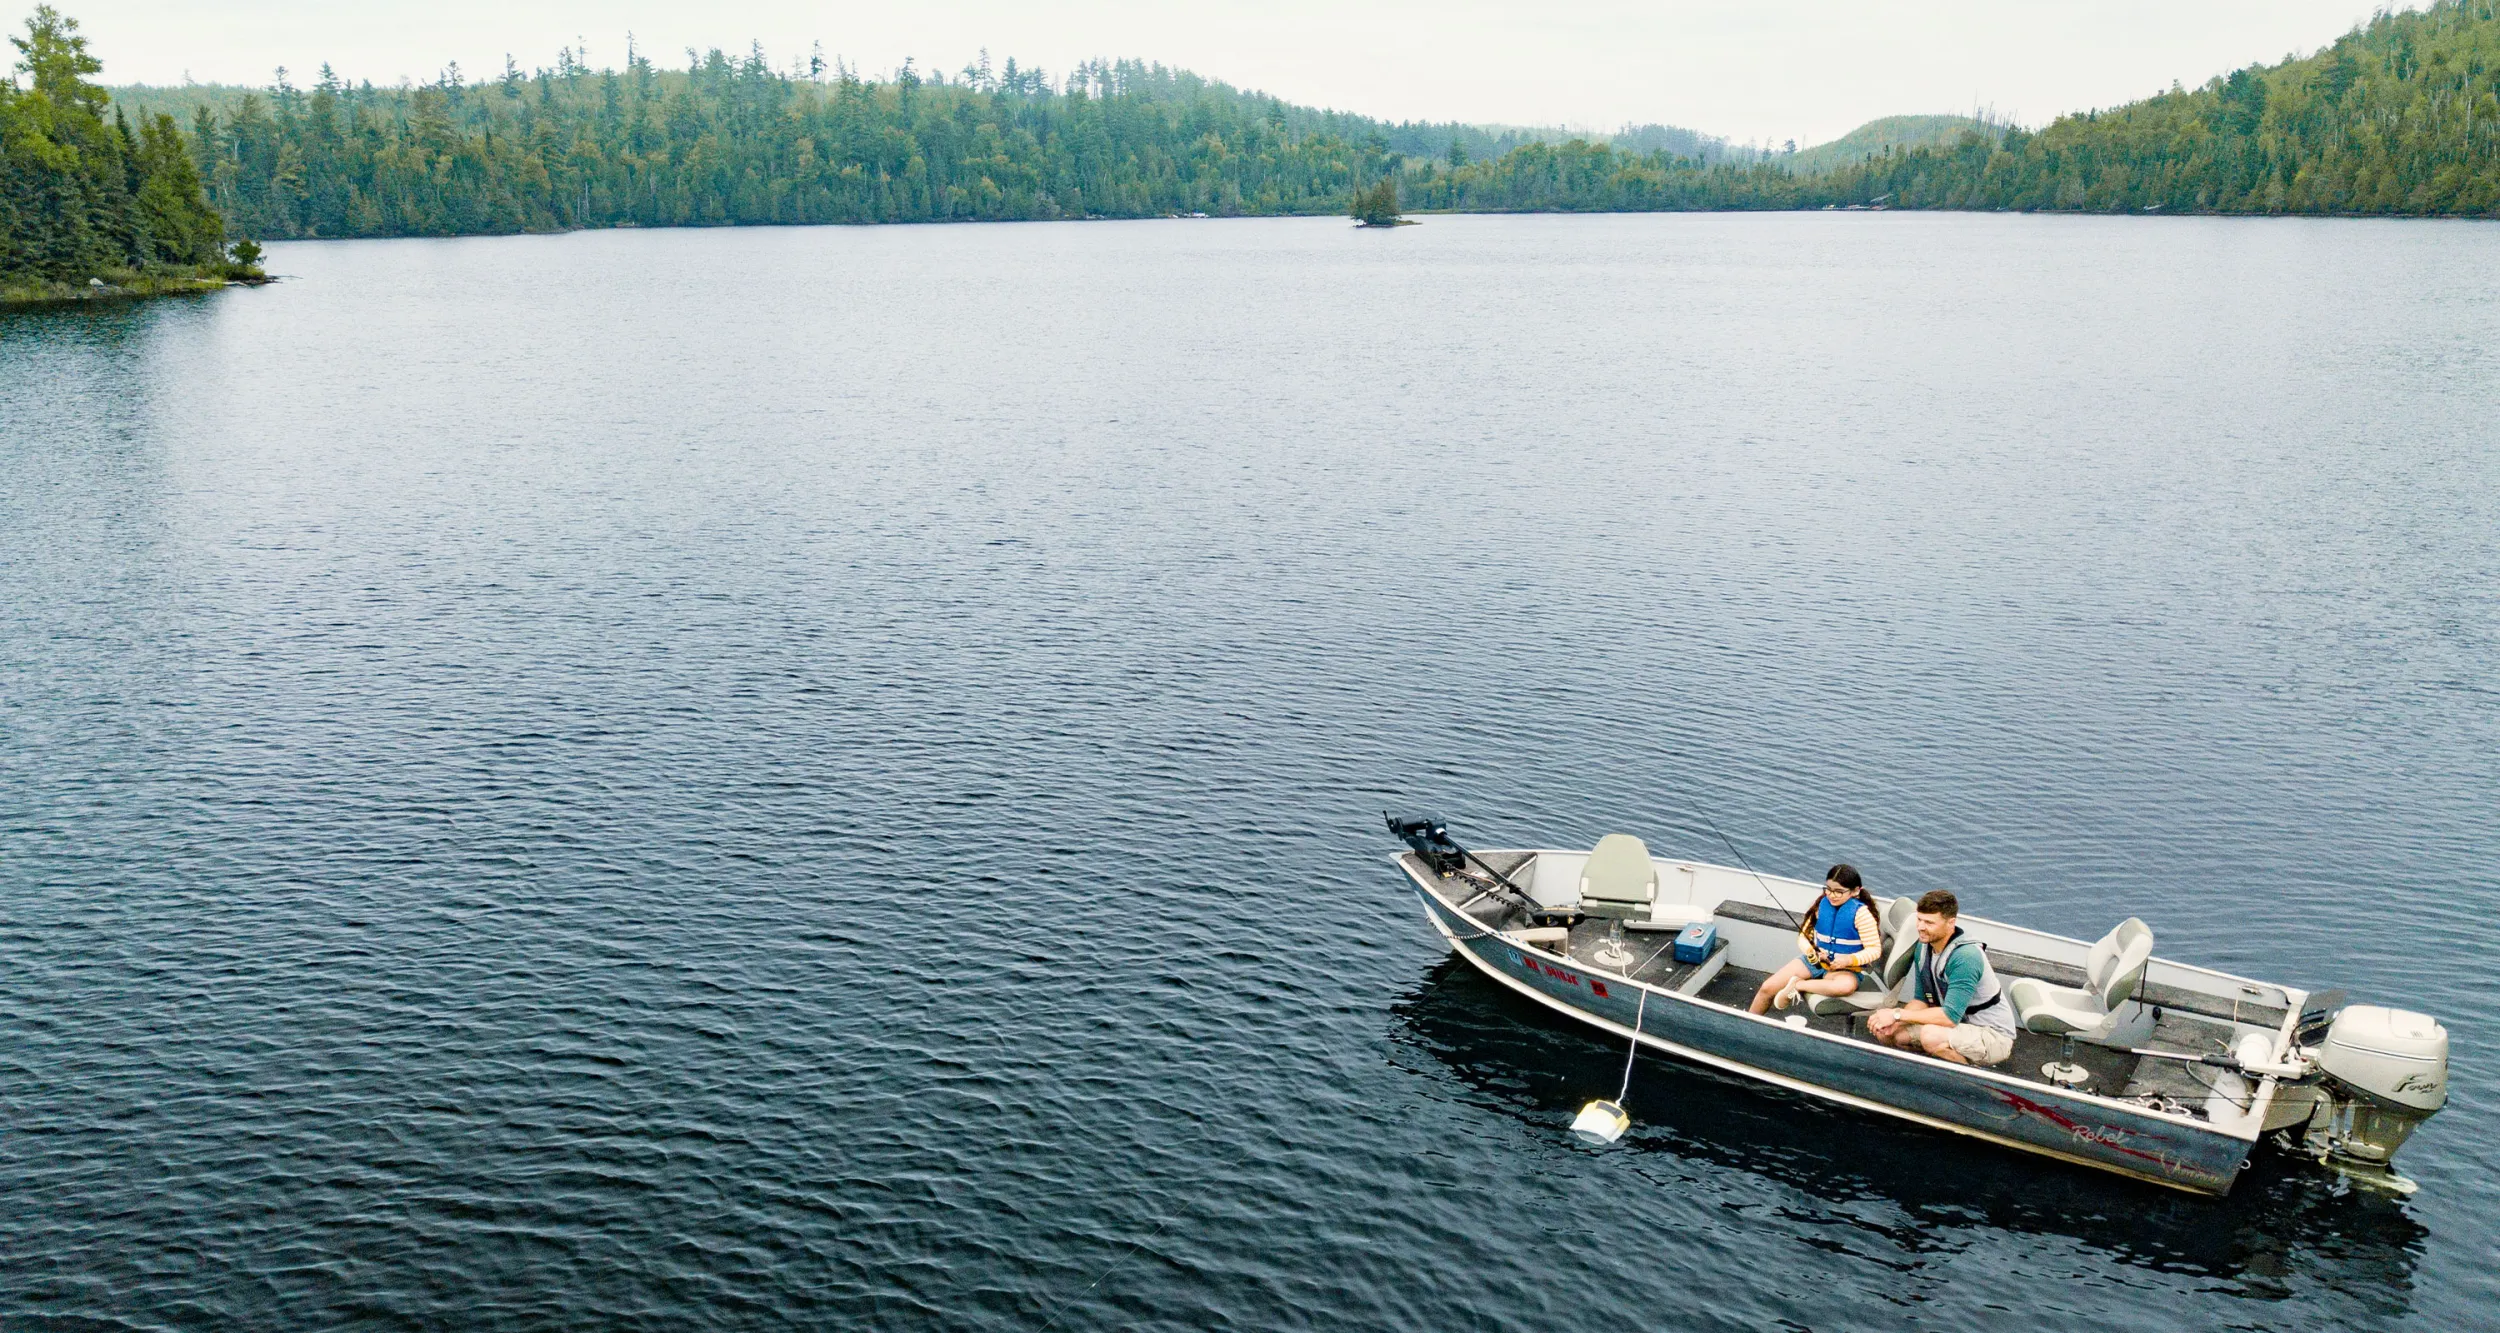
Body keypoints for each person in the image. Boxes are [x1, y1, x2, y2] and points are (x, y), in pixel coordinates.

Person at [1867, 889, 2016, 1066]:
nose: (1921, 927)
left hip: (1992, 1035)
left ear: (1950, 923)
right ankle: (1933, 1065)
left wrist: (1897, 1014)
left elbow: (1949, 1017)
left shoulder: (1966, 957)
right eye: (1919, 920)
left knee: (1930, 1036)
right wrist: (1893, 1023)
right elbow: (1921, 1000)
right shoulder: (1924, 947)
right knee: (1890, 1034)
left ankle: (1969, 1079)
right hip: (1956, 1026)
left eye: (1929, 922)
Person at [1748, 864, 1881, 1015]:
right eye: (1828, 889)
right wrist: (1813, 952)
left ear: (1856, 891)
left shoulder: (1862, 914)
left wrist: (1848, 960)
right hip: (1815, 962)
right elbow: (1804, 936)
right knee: (1767, 988)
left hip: (1845, 969)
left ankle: (1798, 985)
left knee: (1845, 987)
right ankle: (1746, 1023)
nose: (1832, 895)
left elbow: (1874, 950)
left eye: (1839, 892)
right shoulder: (1821, 905)